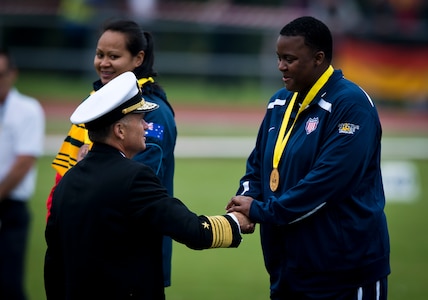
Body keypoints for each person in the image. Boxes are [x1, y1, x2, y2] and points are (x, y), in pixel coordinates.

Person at [44, 72, 254, 299]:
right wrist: (237, 222)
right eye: (141, 118)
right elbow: (191, 230)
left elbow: (53, 264)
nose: (146, 126)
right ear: (120, 130)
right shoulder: (134, 177)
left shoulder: (68, 181)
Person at [226, 16, 390, 299]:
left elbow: (327, 184)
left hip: (344, 272)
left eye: (290, 59)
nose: (281, 67)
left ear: (318, 58)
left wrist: (263, 211)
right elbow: (258, 166)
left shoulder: (351, 105)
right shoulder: (279, 101)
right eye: (278, 58)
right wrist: (245, 199)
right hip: (288, 268)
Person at [47, 19, 177, 287]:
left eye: (114, 56)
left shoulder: (151, 112)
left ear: (138, 58)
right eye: (99, 54)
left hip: (128, 254)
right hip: (93, 244)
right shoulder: (99, 103)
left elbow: (134, 184)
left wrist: (87, 165)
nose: (103, 63)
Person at [0, 48, 45, 300]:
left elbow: (24, 162)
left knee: (8, 285)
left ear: (12, 74)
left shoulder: (27, 109)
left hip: (10, 207)